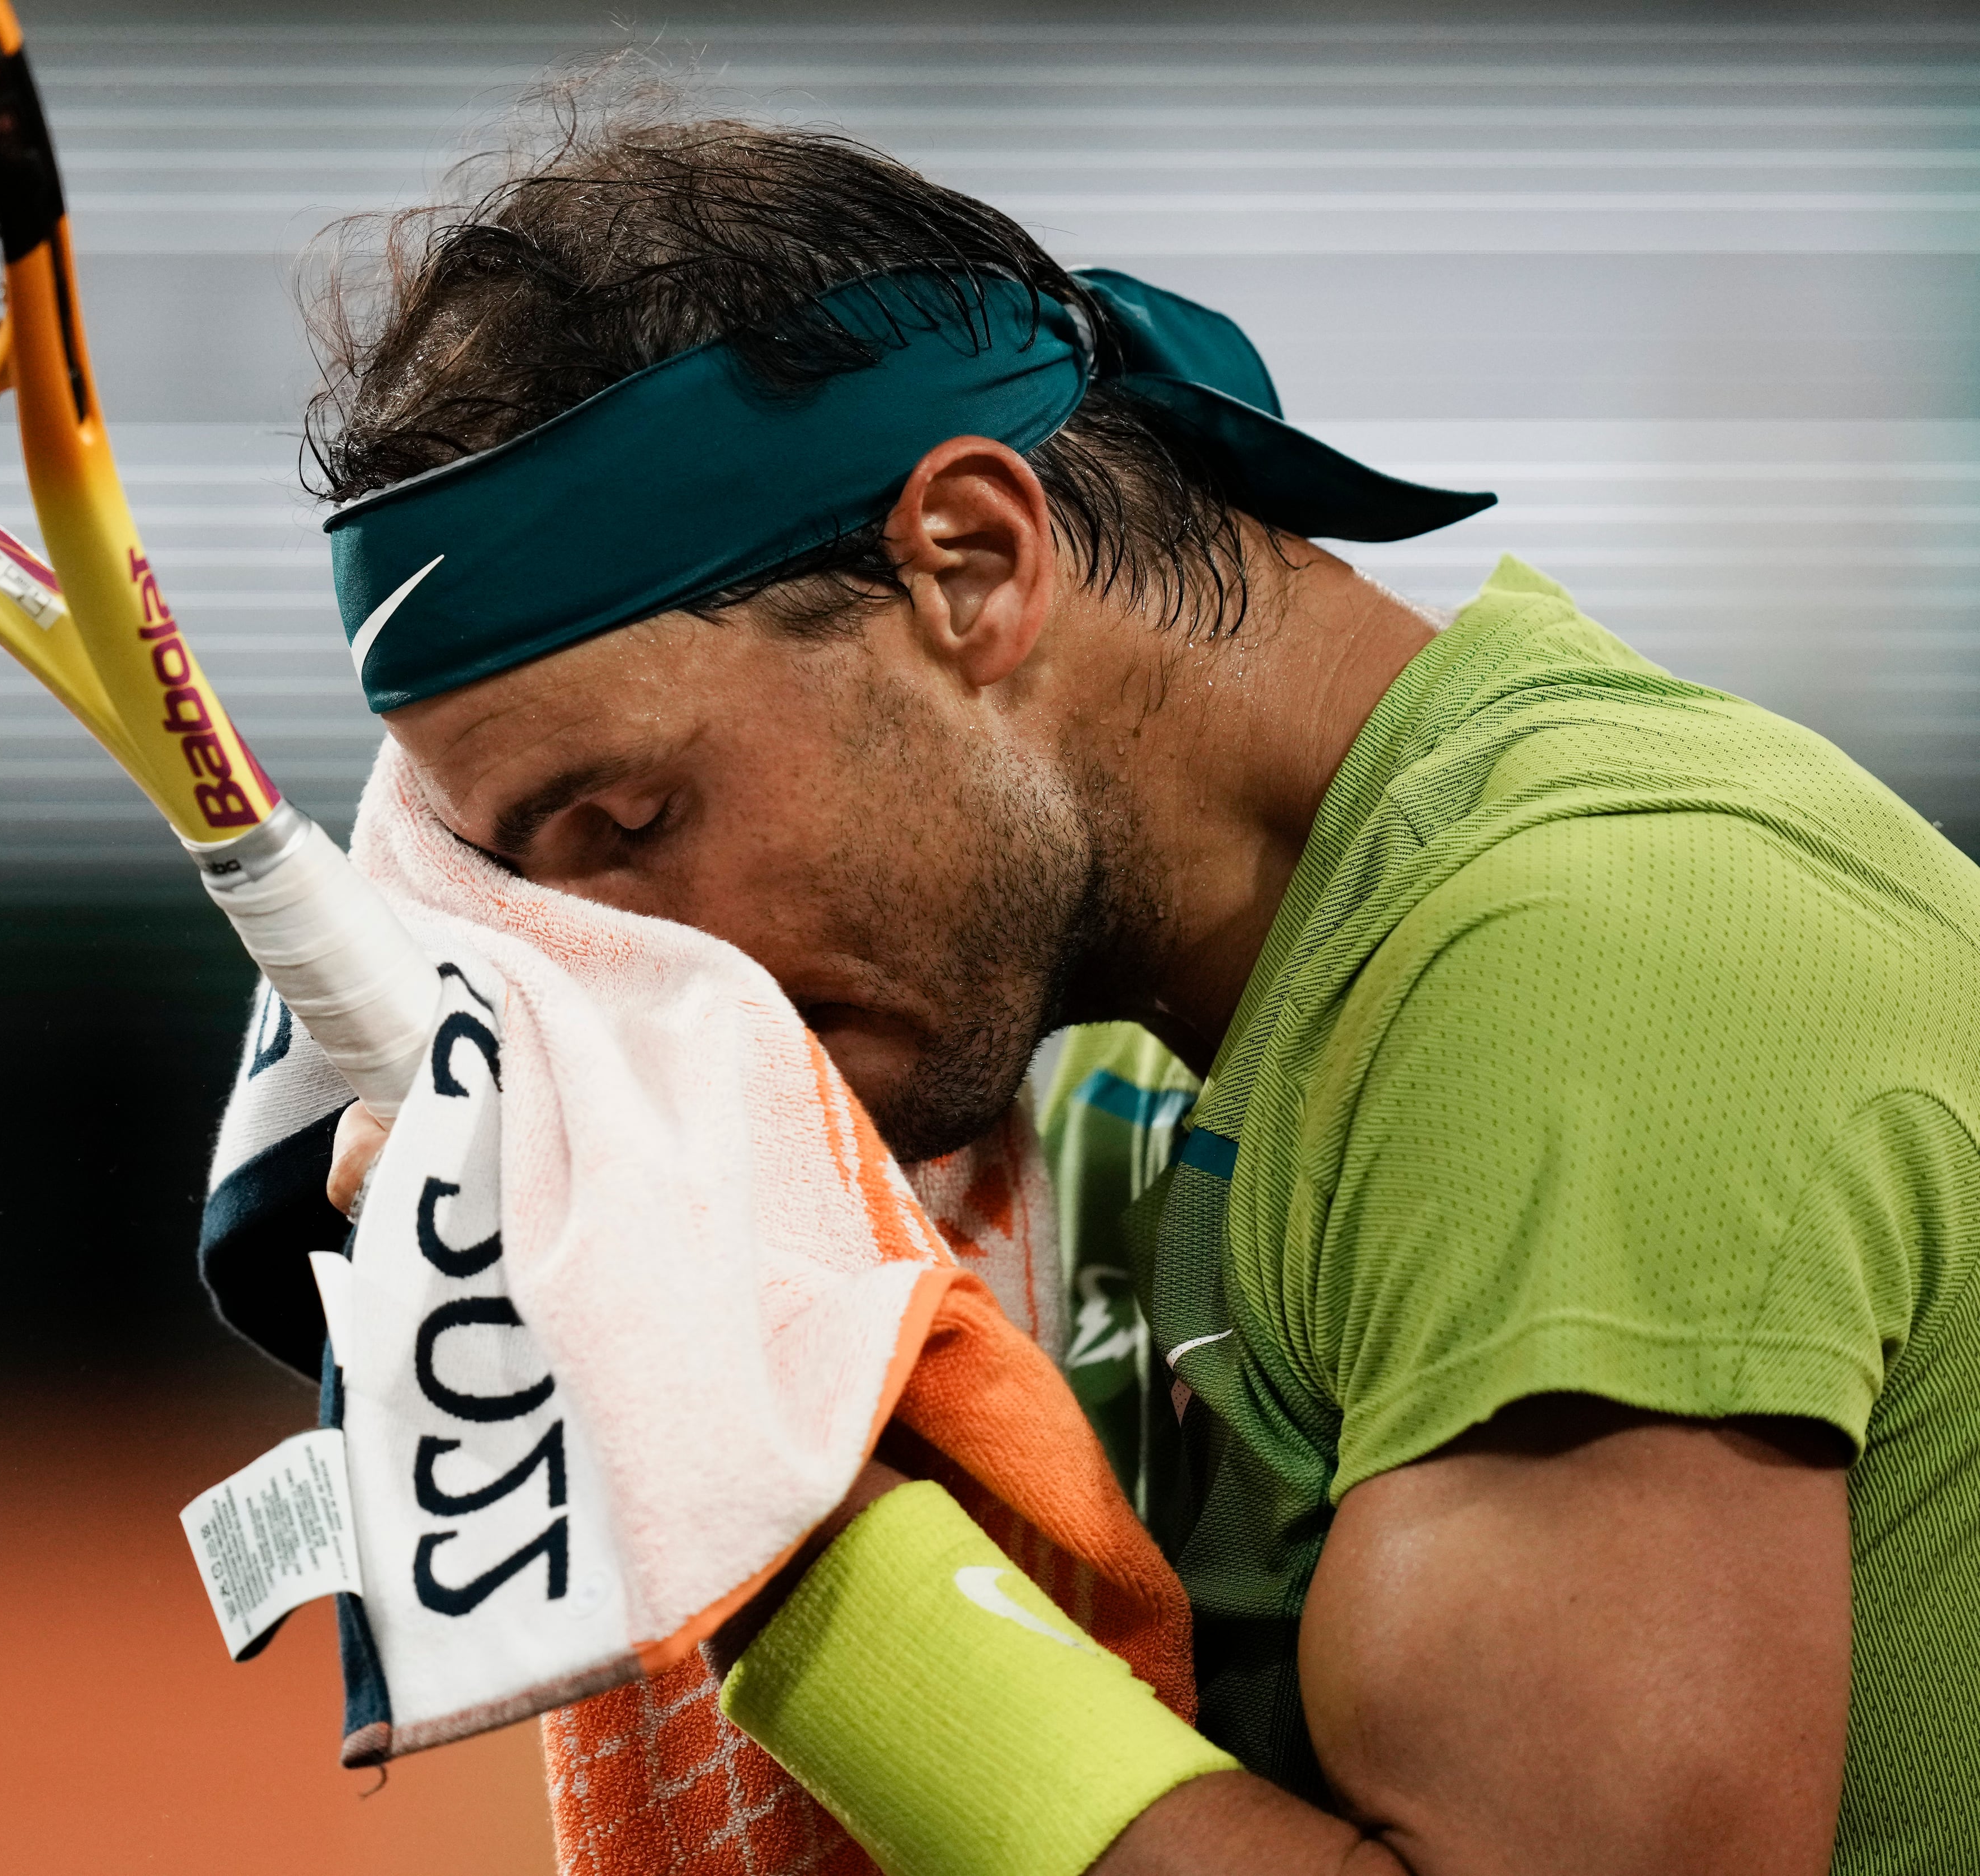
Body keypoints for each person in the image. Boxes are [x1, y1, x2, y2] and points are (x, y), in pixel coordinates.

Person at [297, 81, 1980, 1876]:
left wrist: (753, 1493)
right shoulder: (1135, 1071)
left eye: (631, 823)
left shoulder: (1596, 976)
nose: (626, 972)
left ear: (972, 563)